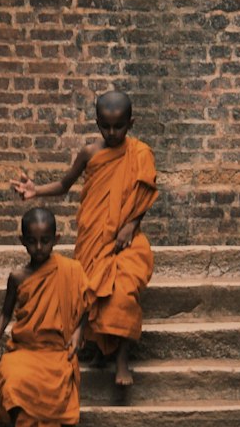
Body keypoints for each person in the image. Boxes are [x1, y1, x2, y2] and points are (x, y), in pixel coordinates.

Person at [13, 90, 158, 387]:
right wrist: (35, 190)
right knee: (90, 288)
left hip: (127, 239)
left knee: (124, 289)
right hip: (94, 237)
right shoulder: (90, 153)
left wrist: (131, 225)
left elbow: (144, 194)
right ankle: (99, 350)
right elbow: (65, 184)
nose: (112, 132)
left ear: (131, 123)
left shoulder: (141, 153)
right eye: (105, 126)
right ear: (97, 123)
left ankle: (121, 360)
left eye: (119, 126)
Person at [0, 206, 89, 427]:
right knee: (14, 383)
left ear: (57, 238)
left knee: (54, 393)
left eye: (45, 240)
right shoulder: (18, 277)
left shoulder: (71, 270)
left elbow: (86, 305)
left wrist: (78, 333)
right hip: (25, 349)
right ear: (22, 241)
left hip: (56, 350)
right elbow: (6, 312)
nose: (39, 248)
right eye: (32, 241)